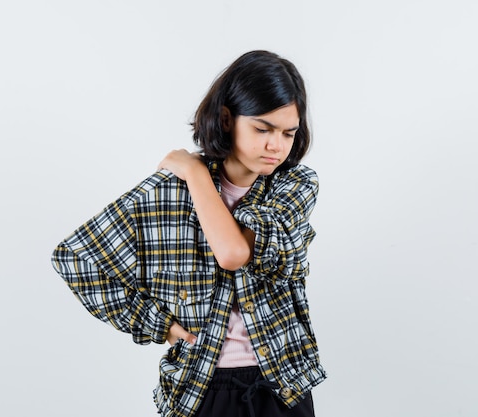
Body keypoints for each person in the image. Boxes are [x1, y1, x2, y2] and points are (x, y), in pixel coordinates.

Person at [51, 50, 326, 417]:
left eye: (287, 133)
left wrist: (196, 173)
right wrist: (157, 324)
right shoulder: (165, 193)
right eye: (262, 129)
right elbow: (74, 257)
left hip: (282, 385)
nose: (276, 146)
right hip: (200, 388)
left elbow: (233, 253)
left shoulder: (294, 185)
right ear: (227, 119)